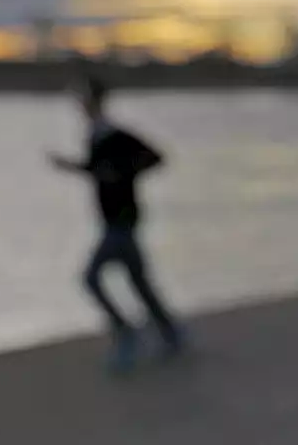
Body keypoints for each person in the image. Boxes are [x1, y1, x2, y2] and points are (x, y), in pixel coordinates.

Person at [49, 75, 185, 374]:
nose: (80, 105)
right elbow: (98, 171)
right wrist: (71, 166)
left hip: (122, 221)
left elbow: (154, 158)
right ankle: (172, 333)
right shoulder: (95, 136)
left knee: (91, 278)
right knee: (139, 282)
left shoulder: (116, 135)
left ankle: (125, 332)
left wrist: (124, 173)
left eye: (83, 99)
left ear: (95, 101)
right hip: (113, 219)